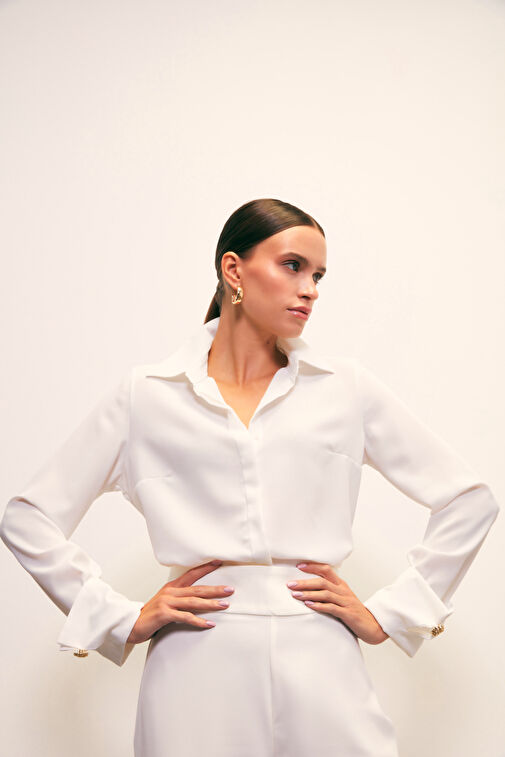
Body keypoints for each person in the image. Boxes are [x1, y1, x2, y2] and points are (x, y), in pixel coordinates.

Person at [0, 197, 500, 757]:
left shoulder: (345, 389)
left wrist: (392, 615)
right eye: (293, 266)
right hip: (195, 658)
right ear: (233, 270)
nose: (310, 289)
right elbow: (29, 517)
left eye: (318, 275)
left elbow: (469, 499)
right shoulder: (147, 395)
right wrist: (119, 619)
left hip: (320, 651)